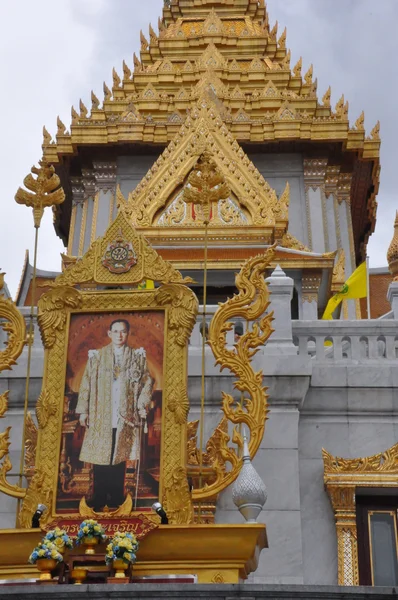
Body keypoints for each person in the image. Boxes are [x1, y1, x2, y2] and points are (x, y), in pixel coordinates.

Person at [76, 319, 153, 511]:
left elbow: (147, 382)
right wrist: (83, 411)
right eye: (116, 331)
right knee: (102, 455)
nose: (120, 335)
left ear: (128, 334)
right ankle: (99, 495)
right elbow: (86, 384)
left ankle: (116, 496)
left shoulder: (137, 357)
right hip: (101, 412)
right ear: (109, 333)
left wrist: (142, 404)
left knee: (118, 454)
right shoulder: (97, 357)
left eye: (123, 331)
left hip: (124, 414)